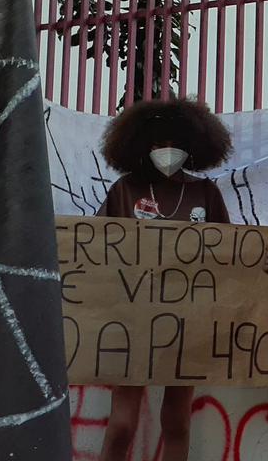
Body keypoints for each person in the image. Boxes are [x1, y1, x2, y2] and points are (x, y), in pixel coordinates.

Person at [95, 98, 233, 461]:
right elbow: (91, 250)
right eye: (157, 143)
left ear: (193, 146)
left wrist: (262, 262)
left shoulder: (206, 193)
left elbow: (231, 253)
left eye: (174, 143)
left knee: (177, 420)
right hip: (131, 321)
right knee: (122, 422)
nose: (165, 151)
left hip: (187, 323)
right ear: (142, 146)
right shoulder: (124, 191)